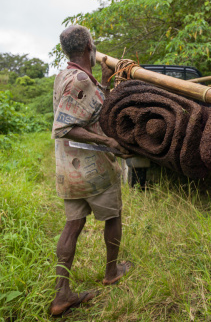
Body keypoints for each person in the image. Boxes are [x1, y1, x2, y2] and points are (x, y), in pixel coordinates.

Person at [49, 25, 132, 316]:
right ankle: (112, 271)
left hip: (68, 170)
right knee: (113, 215)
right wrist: (107, 140)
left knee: (73, 225)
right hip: (92, 168)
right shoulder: (81, 78)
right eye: (93, 43)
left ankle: (62, 294)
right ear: (88, 47)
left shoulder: (66, 76)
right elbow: (66, 126)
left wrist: (105, 85)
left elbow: (86, 109)